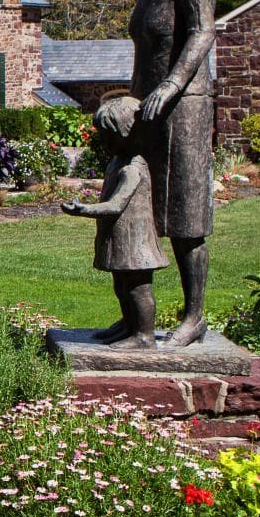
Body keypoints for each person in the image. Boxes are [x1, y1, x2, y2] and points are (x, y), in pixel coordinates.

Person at [110, 0, 217, 347]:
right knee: (142, 210)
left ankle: (194, 317)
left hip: (184, 107)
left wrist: (173, 85)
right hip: (147, 104)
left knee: (186, 214)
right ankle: (139, 323)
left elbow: (201, 33)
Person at [62, 96, 167, 349]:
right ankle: (129, 325)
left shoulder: (132, 169)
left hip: (135, 238)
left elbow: (116, 204)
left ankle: (144, 335)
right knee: (121, 285)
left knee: (138, 288)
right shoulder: (117, 162)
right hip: (121, 235)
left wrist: (83, 209)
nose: (104, 141)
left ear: (126, 134)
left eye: (109, 136)